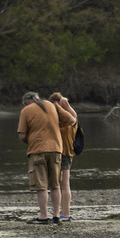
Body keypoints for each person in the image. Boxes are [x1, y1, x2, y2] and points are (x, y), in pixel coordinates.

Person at [17, 91, 75, 224]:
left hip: (38, 150)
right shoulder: (52, 105)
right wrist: (55, 126)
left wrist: (31, 140)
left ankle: (43, 216)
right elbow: (71, 120)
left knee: (41, 186)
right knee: (55, 185)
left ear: (27, 102)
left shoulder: (26, 111)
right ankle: (56, 215)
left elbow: (22, 135)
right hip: (56, 149)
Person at [50, 92, 79, 221]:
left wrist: (58, 105)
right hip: (68, 152)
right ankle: (65, 212)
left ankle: (65, 213)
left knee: (61, 184)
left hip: (61, 152)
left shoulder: (61, 119)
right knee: (65, 184)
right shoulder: (73, 116)